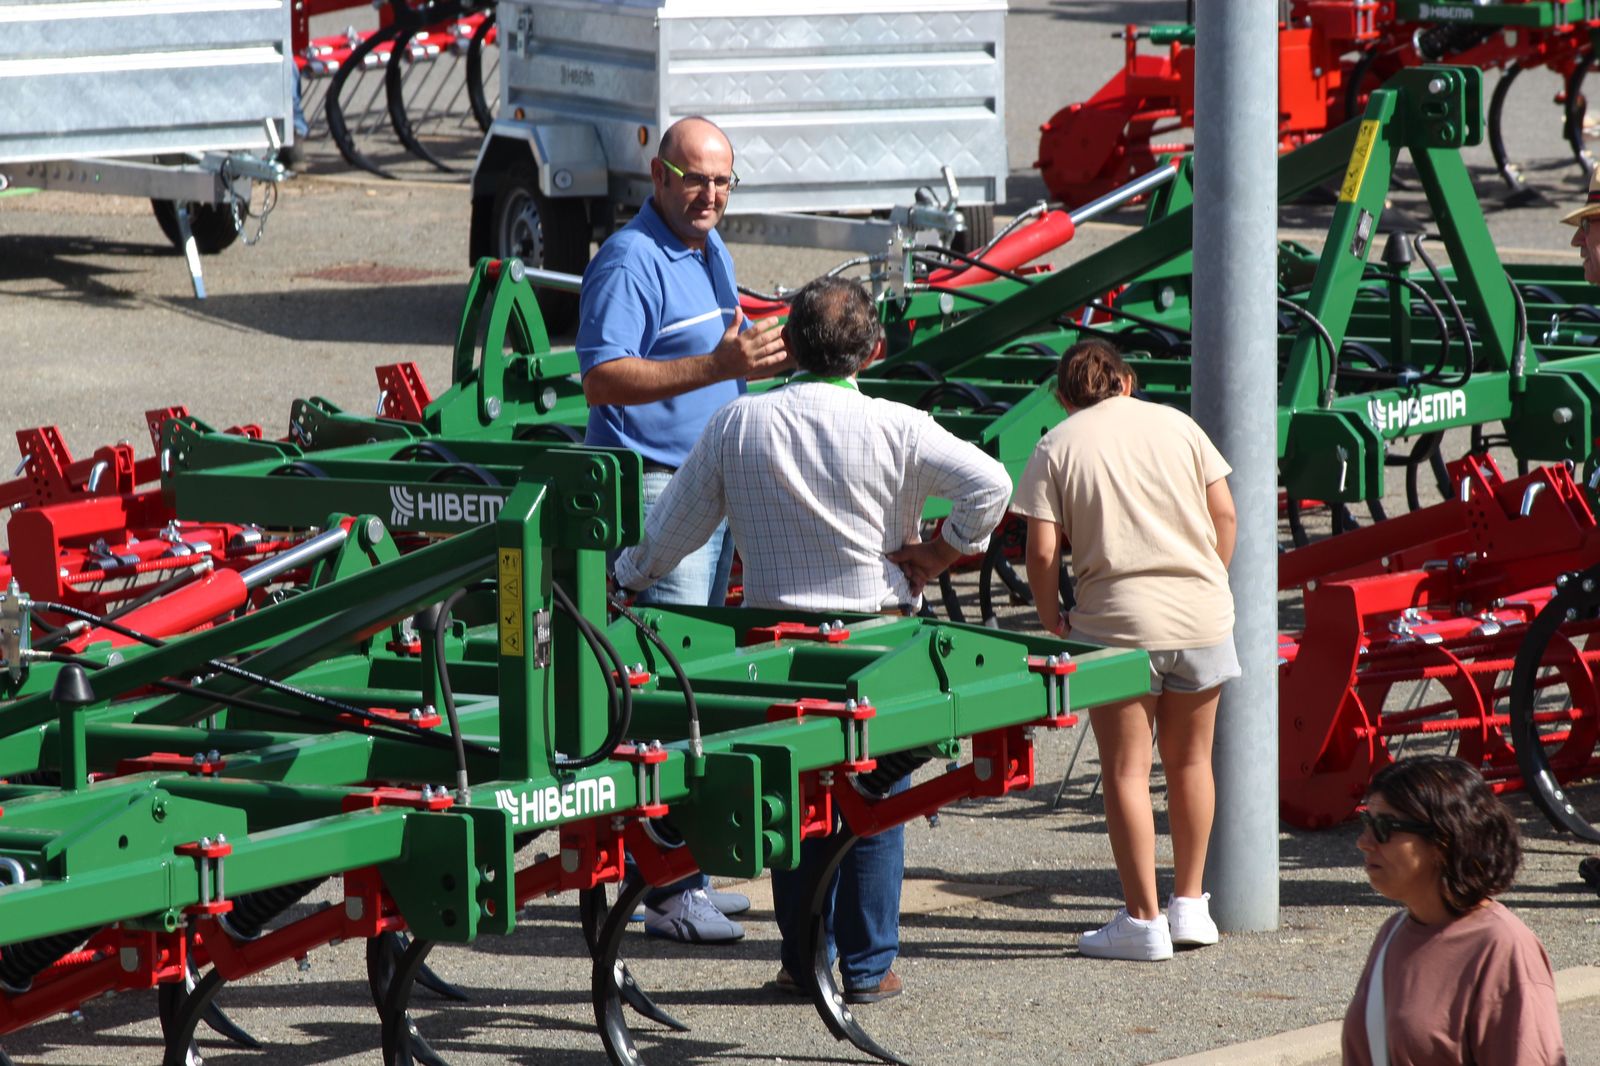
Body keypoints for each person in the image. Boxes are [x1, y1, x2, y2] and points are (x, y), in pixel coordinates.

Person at [614, 275, 1012, 1002]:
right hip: (877, 641)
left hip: (776, 647)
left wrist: (625, 577)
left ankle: (804, 962)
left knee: (791, 794)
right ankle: (868, 968)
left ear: (789, 344)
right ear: (873, 349)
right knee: (874, 793)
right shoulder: (900, 425)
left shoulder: (740, 425)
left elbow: (670, 535)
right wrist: (940, 552)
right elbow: (991, 484)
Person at [577, 115, 787, 943]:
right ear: (657, 177)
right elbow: (600, 378)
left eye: (724, 181)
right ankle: (663, 888)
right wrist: (721, 369)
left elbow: (724, 351)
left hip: (709, 481)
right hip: (659, 492)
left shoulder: (707, 249)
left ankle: (684, 867)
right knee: (663, 690)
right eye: (696, 179)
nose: (711, 195)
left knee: (695, 674)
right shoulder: (629, 260)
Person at [1012, 339, 1238, 962]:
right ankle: (1190, 904)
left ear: (1063, 398)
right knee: (1191, 763)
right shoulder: (1180, 426)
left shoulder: (1056, 447)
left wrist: (1052, 614)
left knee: (1127, 769)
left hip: (1114, 624)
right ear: (1127, 382)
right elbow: (1226, 517)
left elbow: (1040, 552)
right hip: (1200, 616)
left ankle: (1143, 920)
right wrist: (1207, 577)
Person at [1341, 755, 1566, 1065]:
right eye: (1366, 822)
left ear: (1443, 839)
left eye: (1384, 827)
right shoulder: (1391, 935)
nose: (1364, 842)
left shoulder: (1503, 948)